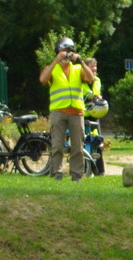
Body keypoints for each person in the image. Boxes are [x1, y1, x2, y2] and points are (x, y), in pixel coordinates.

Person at [39, 37, 94, 181]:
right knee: (57, 144)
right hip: (58, 112)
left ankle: (76, 175)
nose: (67, 55)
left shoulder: (77, 68)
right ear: (58, 52)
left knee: (77, 146)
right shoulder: (52, 68)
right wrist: (56, 61)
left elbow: (90, 78)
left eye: (69, 51)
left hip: (76, 112)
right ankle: (56, 172)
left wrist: (81, 61)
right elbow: (43, 79)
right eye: (64, 51)